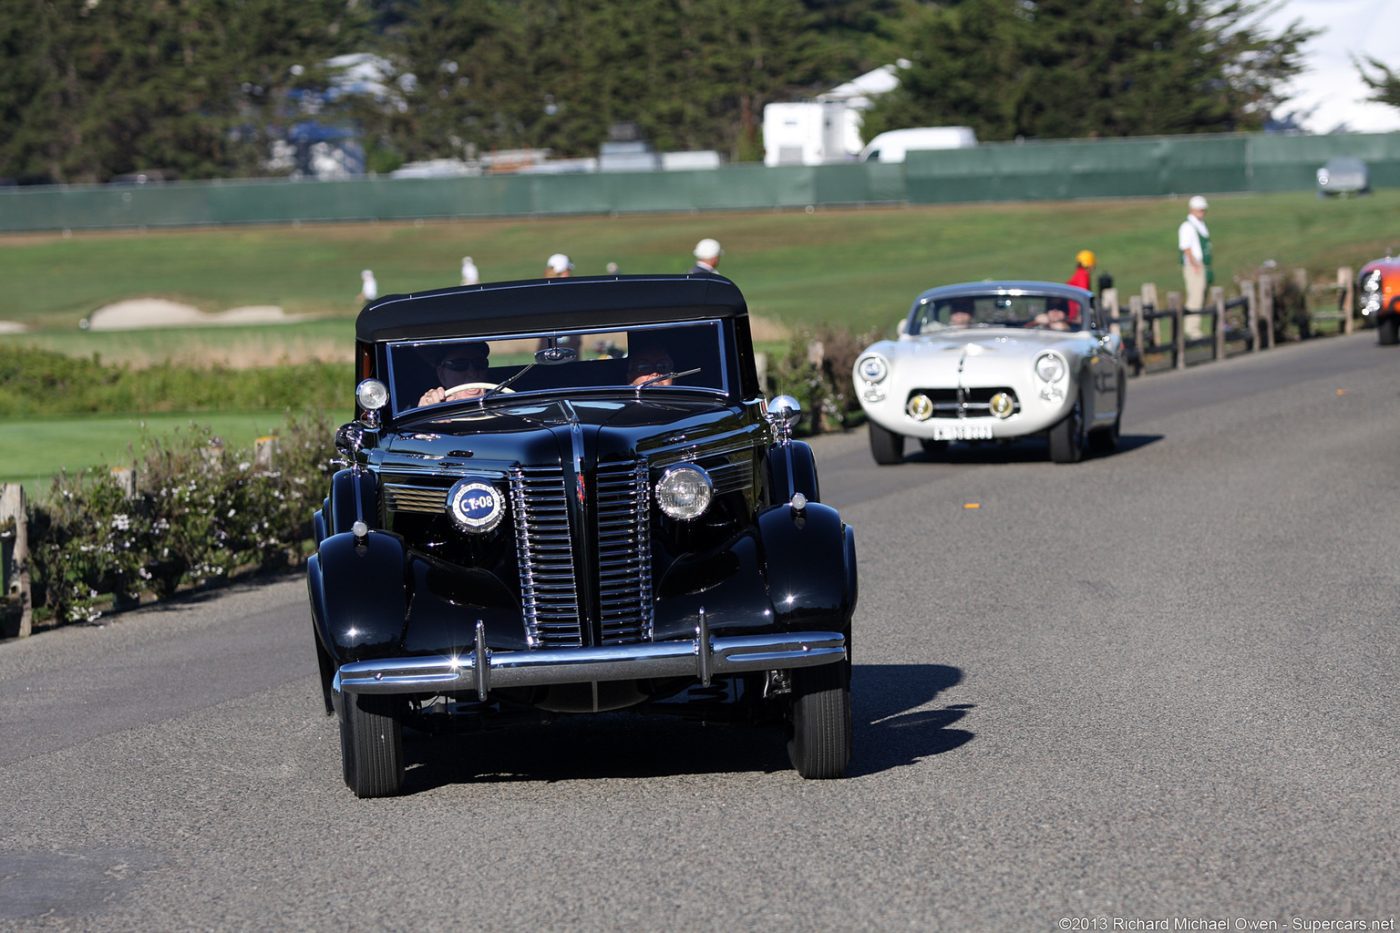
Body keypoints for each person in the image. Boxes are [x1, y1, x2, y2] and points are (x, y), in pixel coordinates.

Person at [1178, 195, 1212, 338]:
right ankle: (1192, 329)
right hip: (1194, 266)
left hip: (1201, 265)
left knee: (1200, 296)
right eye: (1199, 210)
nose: (1202, 212)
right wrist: (1194, 264)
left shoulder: (1200, 224)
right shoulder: (1187, 226)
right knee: (1195, 297)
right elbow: (1186, 248)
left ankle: (1195, 327)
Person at [417, 342, 491, 406]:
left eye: (479, 363)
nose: (472, 373)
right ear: (441, 375)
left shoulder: (501, 404)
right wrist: (428, 411)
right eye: (459, 365)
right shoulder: (437, 413)